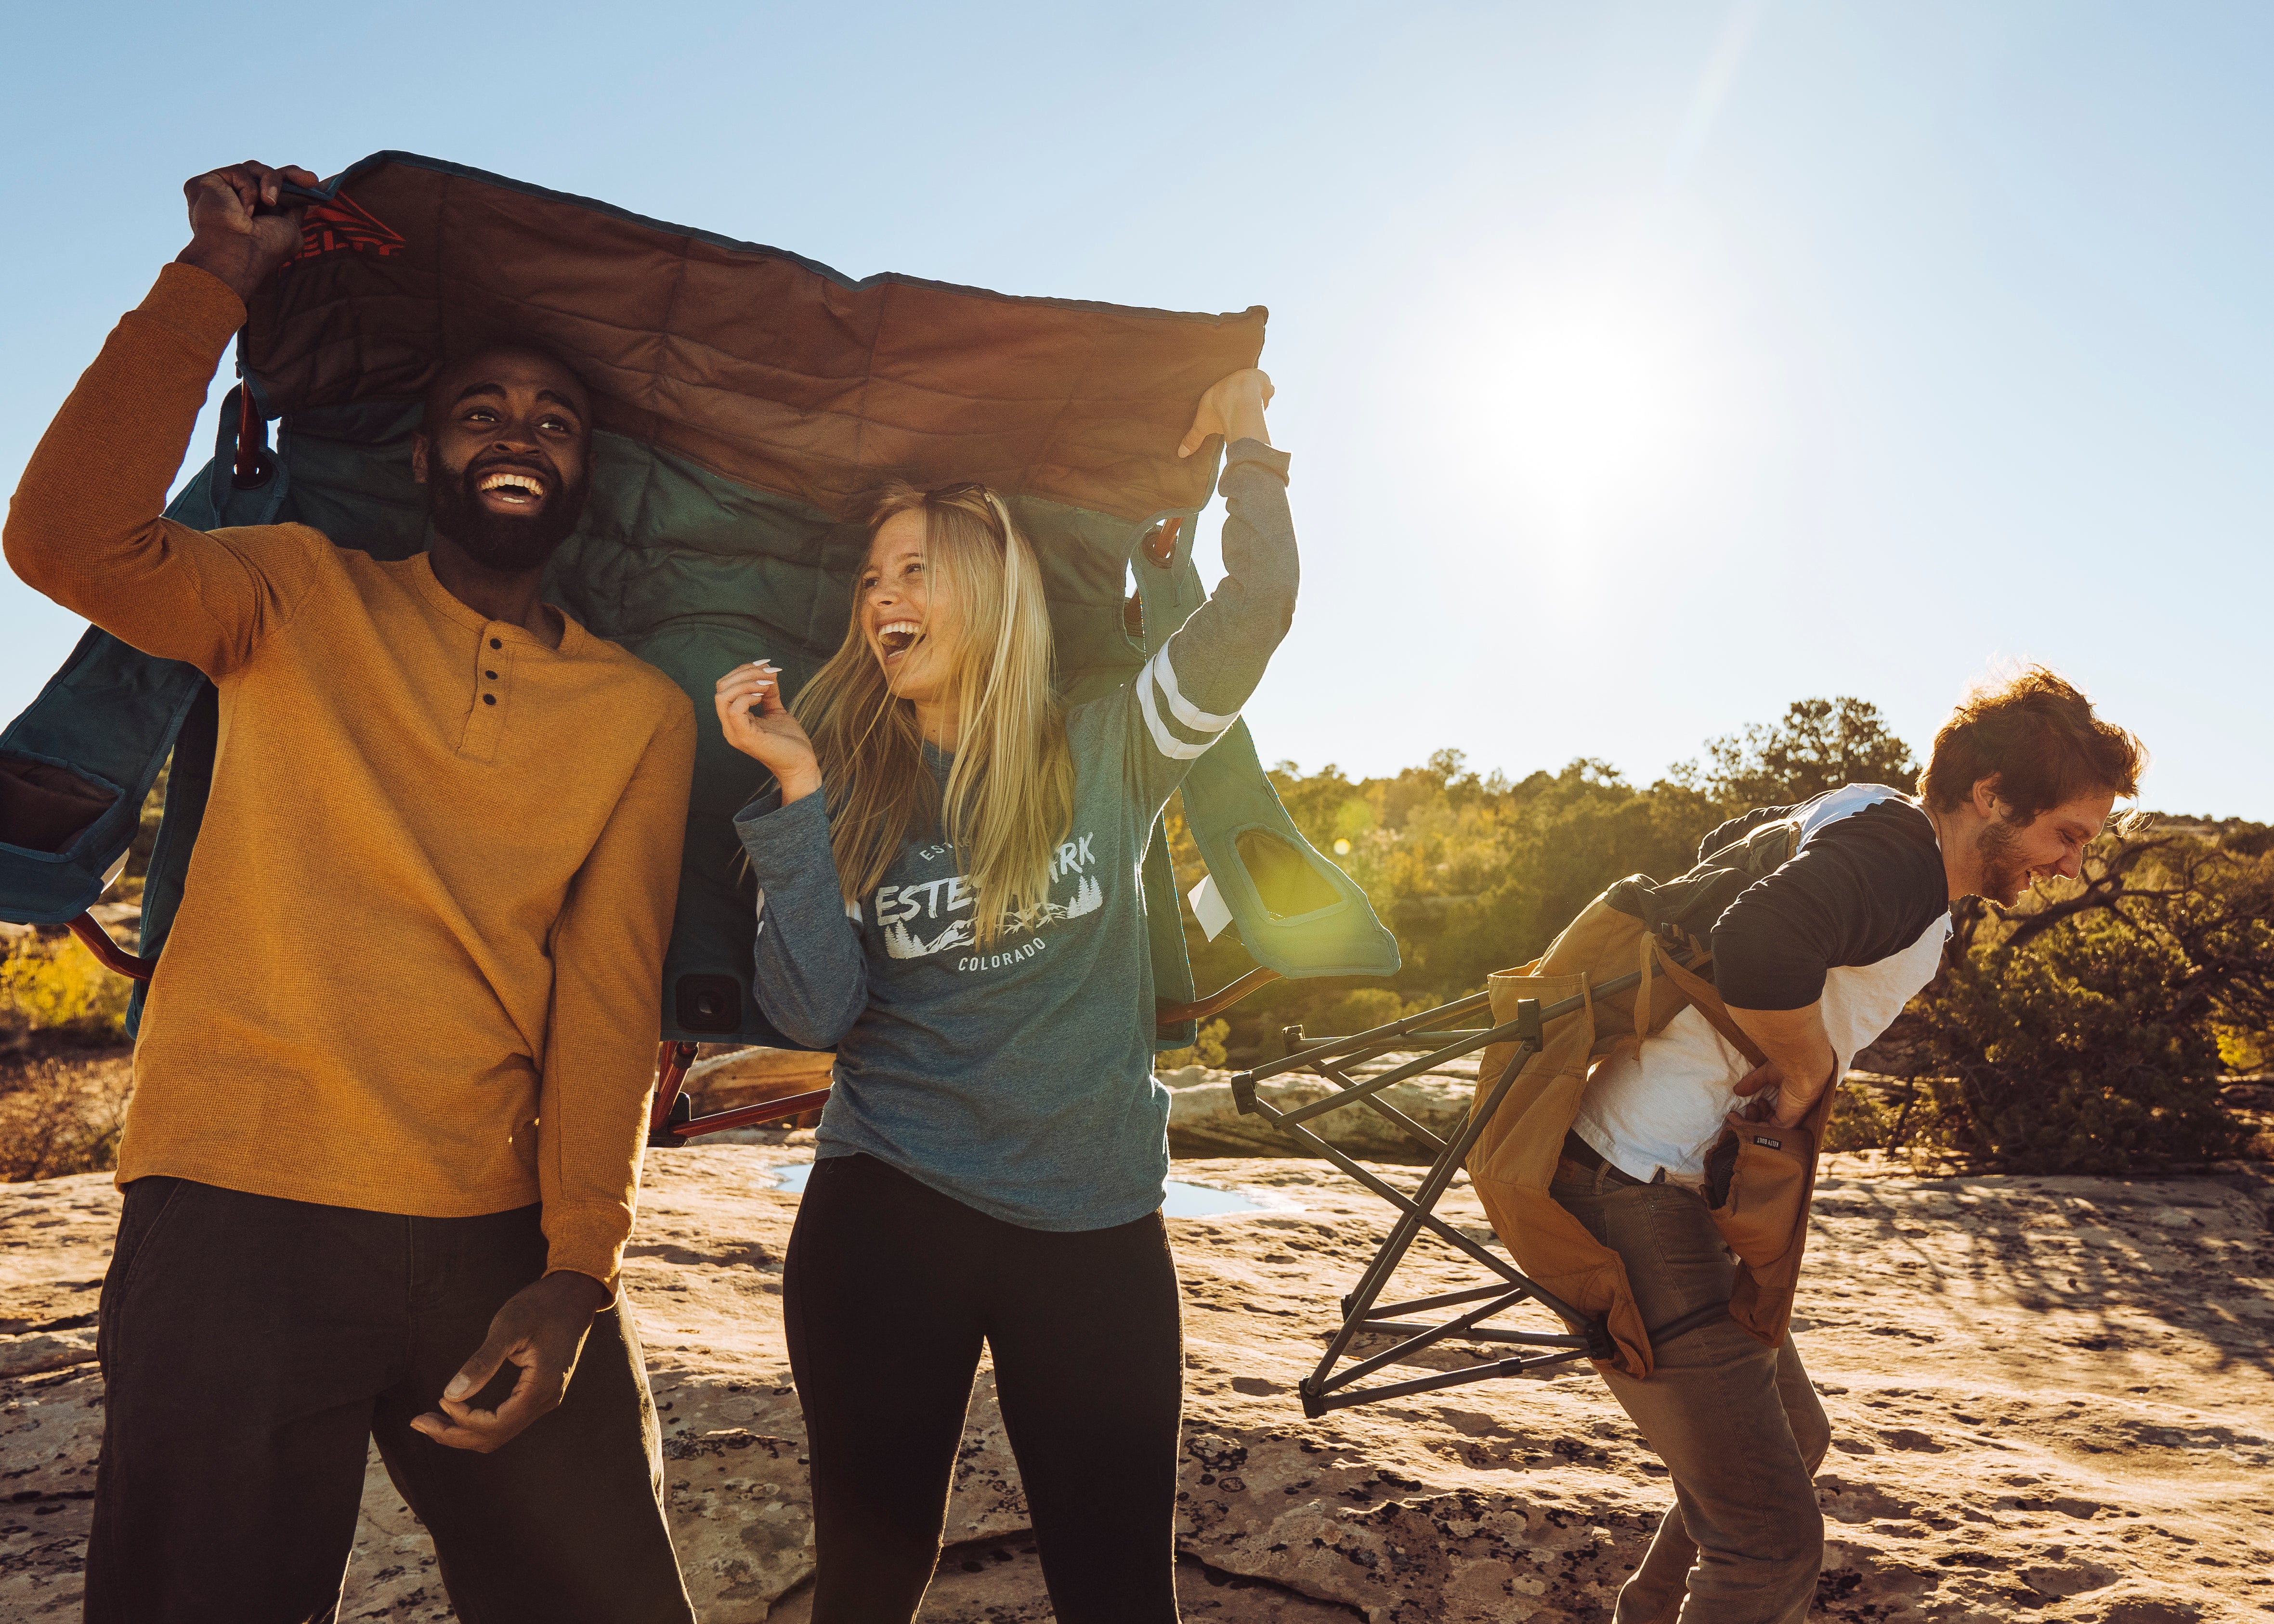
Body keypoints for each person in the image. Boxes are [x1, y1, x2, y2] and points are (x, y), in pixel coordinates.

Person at [4, 161, 700, 1623]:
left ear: (584, 476)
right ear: (425, 459)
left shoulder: (639, 713)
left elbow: (609, 994)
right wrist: (218, 276)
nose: (519, 433)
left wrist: (580, 1268)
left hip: (494, 1228)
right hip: (233, 1218)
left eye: (554, 421)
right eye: (481, 412)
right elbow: (63, 538)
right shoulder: (293, 590)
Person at [712, 368, 1288, 1623]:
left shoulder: (1110, 743)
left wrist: (1248, 441)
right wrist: (797, 796)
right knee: (867, 1584)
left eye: (915, 569)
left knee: (1119, 1592)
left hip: (1093, 1226)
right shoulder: (844, 791)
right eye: (871, 579)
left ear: (992, 587)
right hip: (885, 1214)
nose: (883, 598)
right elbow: (811, 1018)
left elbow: (1253, 609)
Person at [1553, 666, 2143, 1624]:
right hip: (1633, 1183)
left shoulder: (1868, 813)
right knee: (1768, 1544)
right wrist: (1804, 1064)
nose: (2070, 865)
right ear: (1991, 797)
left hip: (1645, 1169)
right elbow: (1758, 934)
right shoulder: (1904, 866)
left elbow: (1726, 853)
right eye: (2066, 835)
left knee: (1794, 1434)